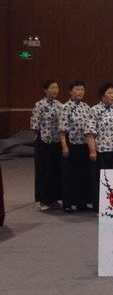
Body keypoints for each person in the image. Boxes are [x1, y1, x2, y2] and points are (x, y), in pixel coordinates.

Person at [86, 82, 113, 211]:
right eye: (110, 93)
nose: (112, 96)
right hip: (102, 151)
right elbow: (90, 133)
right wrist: (92, 151)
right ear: (102, 95)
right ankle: (100, 207)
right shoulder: (94, 110)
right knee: (101, 180)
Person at [59, 80, 93, 212]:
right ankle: (67, 204)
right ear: (70, 92)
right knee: (70, 175)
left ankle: (82, 203)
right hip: (71, 144)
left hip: (84, 145)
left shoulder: (86, 107)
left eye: (82, 90)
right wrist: (64, 146)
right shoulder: (65, 107)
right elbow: (62, 130)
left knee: (84, 174)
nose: (80, 92)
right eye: (77, 89)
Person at [30, 79, 63, 210]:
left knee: (55, 171)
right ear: (45, 90)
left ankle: (53, 199)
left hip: (56, 143)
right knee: (43, 172)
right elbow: (34, 125)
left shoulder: (60, 105)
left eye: (56, 87)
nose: (55, 90)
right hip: (43, 143)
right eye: (52, 87)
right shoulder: (39, 105)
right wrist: (41, 137)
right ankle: (43, 200)